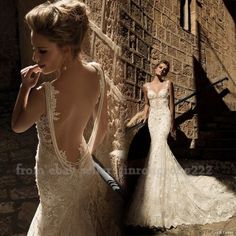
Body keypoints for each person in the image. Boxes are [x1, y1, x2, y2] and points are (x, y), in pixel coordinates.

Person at [11, 0, 111, 235]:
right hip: (83, 168)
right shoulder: (97, 73)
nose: (35, 56)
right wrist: (86, 160)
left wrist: (24, 88)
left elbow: (17, 126)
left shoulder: (43, 94)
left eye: (42, 50)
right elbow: (103, 126)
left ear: (66, 47)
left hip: (52, 176)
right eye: (34, 48)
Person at [125, 60, 236, 229]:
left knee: (158, 149)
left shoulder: (169, 84)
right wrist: (135, 118)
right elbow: (147, 108)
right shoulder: (146, 86)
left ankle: (159, 201)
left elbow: (171, 106)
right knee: (155, 152)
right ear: (155, 68)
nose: (163, 70)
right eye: (161, 67)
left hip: (163, 120)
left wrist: (172, 125)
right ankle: (154, 198)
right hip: (153, 121)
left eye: (166, 69)